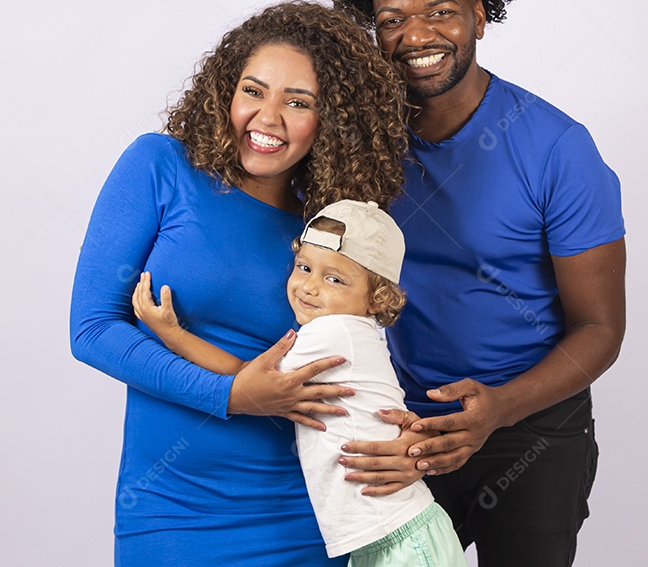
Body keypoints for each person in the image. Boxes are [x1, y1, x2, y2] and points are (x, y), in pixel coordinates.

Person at [320, 0, 628, 565]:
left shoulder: (557, 147)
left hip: (532, 429)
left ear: (482, 17)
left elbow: (601, 330)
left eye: (441, 12)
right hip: (402, 422)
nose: (417, 35)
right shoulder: (359, 142)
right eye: (392, 18)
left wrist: (499, 409)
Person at [69, 1, 417, 566]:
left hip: (307, 520)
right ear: (224, 92)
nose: (268, 118)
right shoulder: (161, 167)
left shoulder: (331, 231)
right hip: (171, 514)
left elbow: (358, 363)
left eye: (298, 103)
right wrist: (231, 397)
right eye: (253, 91)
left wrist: (405, 442)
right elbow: (91, 329)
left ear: (332, 120)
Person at [132, 199, 466, 566]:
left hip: (401, 539)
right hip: (384, 536)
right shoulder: (351, 331)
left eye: (334, 279)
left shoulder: (333, 331)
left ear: (376, 298)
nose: (309, 287)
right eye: (304, 267)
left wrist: (172, 333)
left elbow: (246, 376)